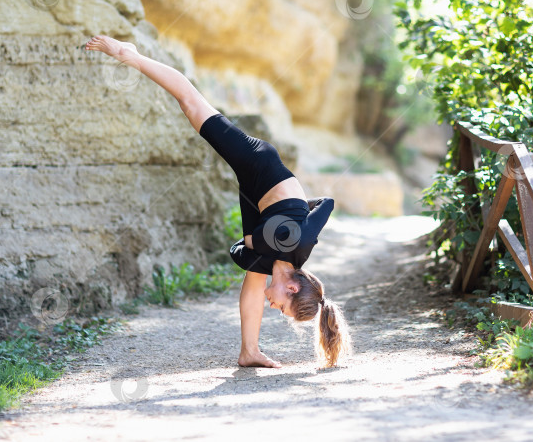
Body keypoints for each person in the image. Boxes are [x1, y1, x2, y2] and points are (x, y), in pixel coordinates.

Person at [84, 35, 351, 368]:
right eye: (282, 308)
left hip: (257, 201)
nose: (275, 308)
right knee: (192, 104)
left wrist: (280, 213)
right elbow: (326, 202)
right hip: (260, 166)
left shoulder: (270, 262)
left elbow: (241, 252)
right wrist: (294, 204)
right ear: (293, 288)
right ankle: (130, 55)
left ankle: (249, 351)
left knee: (255, 271)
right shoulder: (299, 241)